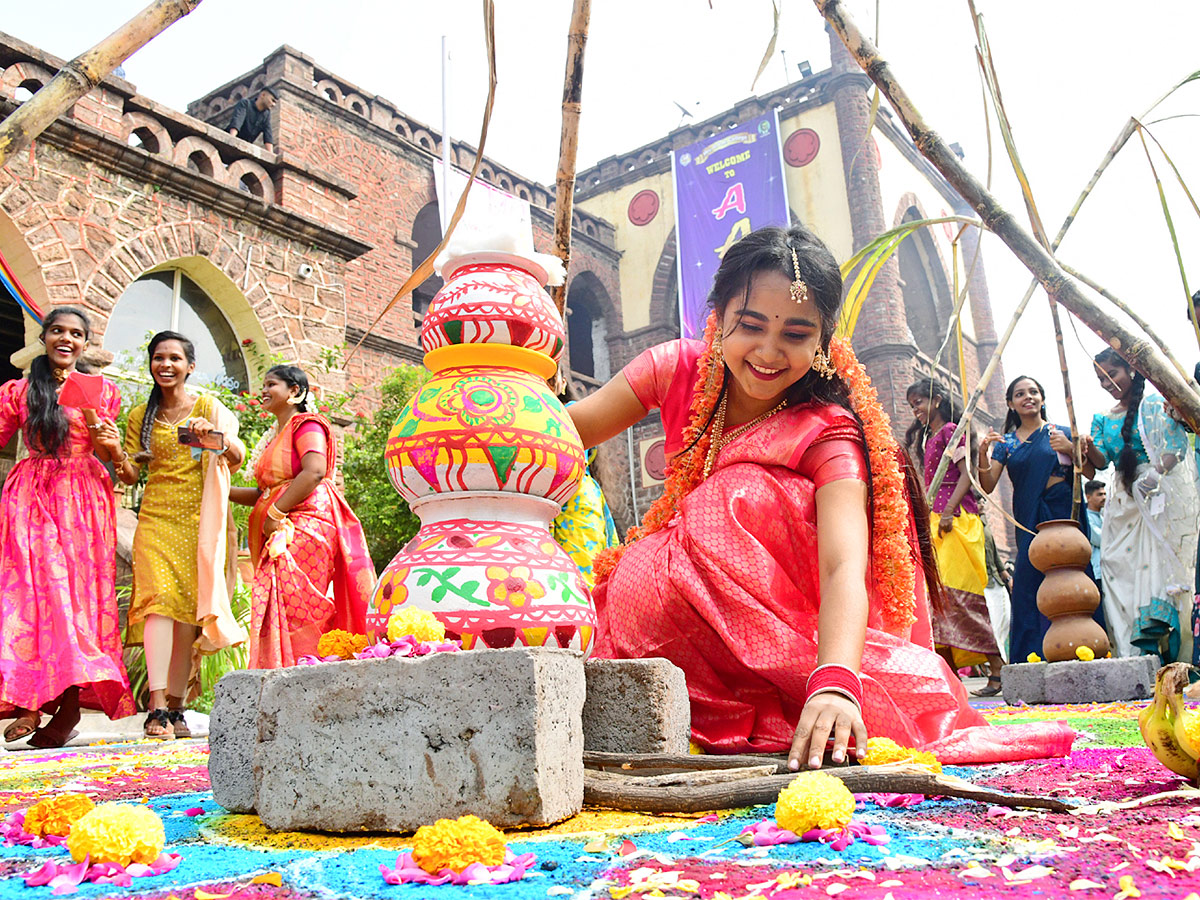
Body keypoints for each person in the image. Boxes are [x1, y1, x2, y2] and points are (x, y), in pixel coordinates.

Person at [569, 224, 998, 771]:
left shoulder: (828, 430)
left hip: (799, 628)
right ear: (718, 316)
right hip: (684, 623)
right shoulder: (676, 368)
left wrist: (836, 683)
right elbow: (561, 433)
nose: (769, 353)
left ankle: (774, 696)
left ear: (823, 340)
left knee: (735, 495)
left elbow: (845, 563)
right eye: (750, 326)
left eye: (796, 334)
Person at [0, 307, 134, 747]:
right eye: (58, 331)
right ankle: (30, 699)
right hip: (30, 496)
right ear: (45, 337)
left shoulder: (104, 392)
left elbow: (115, 459)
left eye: (76, 334)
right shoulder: (18, 391)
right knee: (30, 599)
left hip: (84, 501)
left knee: (76, 604)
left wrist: (109, 442)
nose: (67, 339)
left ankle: (67, 708)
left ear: (85, 343)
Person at [114, 332, 247, 739]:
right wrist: (118, 457)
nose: (165, 365)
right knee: (157, 604)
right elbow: (133, 474)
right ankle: (154, 708)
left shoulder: (207, 407)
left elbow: (237, 458)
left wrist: (212, 436)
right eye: (158, 358)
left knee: (188, 614)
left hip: (198, 519)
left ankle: (176, 707)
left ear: (190, 366)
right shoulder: (141, 416)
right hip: (154, 517)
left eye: (175, 358)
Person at [231, 365, 374, 667]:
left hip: (307, 522)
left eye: (271, 384)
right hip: (279, 524)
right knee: (280, 605)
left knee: (299, 605)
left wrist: (276, 511)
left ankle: (304, 672)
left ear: (294, 391)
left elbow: (314, 472)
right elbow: (265, 493)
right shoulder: (275, 436)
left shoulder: (307, 425)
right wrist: (219, 489)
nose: (264, 391)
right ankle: (279, 677)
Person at [1086, 349, 1198, 661]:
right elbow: (1098, 462)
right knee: (1114, 567)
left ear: (1131, 370)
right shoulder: (1102, 419)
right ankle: (1132, 659)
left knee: (1159, 572)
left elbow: (1175, 448)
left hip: (1156, 502)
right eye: (1100, 378)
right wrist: (1079, 447)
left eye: (1112, 374)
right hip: (1121, 507)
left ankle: (1171, 655)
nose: (1107, 383)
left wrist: (1154, 476)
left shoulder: (1153, 406)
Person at [979, 375, 1097, 663]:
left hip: (1061, 513)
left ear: (1042, 398)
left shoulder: (1061, 432)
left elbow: (1092, 472)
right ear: (1010, 403)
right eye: (1020, 394)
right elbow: (987, 484)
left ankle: (1083, 645)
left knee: (1069, 574)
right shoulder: (1006, 444)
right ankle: (1031, 654)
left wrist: (1070, 448)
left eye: (1033, 391)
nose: (1027, 397)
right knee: (1028, 582)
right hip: (1028, 518)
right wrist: (982, 453)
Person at [905, 378, 1005, 697]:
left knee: (960, 597)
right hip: (937, 519)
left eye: (919, 402)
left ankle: (997, 669)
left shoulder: (950, 430)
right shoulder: (929, 437)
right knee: (938, 600)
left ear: (935, 401)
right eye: (911, 406)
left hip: (957, 519)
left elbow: (967, 475)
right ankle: (949, 678)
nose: (916, 410)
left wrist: (948, 511)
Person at [982, 517, 1012, 661]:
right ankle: (999, 665)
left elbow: (995, 557)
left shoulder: (984, 526)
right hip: (984, 584)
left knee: (1005, 621)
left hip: (997, 582)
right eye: (979, 502)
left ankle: (1004, 661)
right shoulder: (967, 527)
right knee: (993, 625)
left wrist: (1008, 578)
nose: (982, 505)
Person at [227, 87, 276, 152]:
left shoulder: (266, 115)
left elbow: (268, 134)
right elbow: (237, 121)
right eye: (272, 100)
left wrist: (271, 154)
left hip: (244, 146)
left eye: (275, 102)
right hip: (231, 139)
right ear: (263, 95)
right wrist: (232, 139)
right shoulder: (245, 104)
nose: (273, 104)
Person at [1084, 479, 1107, 594]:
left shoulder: (1103, 517)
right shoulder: (1086, 518)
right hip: (1095, 571)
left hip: (1106, 571)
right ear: (1088, 497)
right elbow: (1100, 539)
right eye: (1099, 495)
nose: (1103, 497)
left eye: (1104, 494)